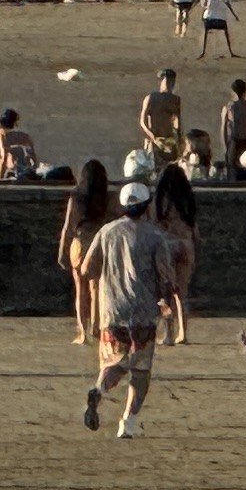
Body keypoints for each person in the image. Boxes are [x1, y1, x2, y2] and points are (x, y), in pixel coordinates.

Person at [80, 181, 170, 437]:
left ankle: (99, 389)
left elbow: (87, 269)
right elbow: (165, 276)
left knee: (113, 362)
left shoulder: (107, 232)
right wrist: (166, 300)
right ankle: (128, 420)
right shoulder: (154, 236)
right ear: (146, 206)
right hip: (142, 311)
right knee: (140, 369)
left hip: (112, 310)